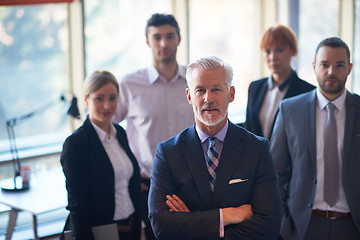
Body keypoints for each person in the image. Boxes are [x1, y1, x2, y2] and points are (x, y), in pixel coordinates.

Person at [148, 56, 282, 239]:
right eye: (200, 90)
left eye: (216, 89)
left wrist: (190, 223)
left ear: (231, 94)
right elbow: (161, 226)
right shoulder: (168, 153)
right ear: (189, 96)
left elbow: (268, 226)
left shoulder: (257, 149)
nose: (208, 98)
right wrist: (226, 216)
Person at [112, 13, 194, 239]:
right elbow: (109, 131)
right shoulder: (129, 84)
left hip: (192, 183)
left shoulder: (195, 81)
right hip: (147, 186)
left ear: (179, 38)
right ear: (148, 41)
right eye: (157, 37)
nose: (164, 43)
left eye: (169, 36)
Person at [270, 37, 360, 240]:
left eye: (339, 65)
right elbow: (275, 172)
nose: (331, 72)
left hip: (353, 225)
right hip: (303, 226)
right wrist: (285, 224)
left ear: (349, 68)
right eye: (324, 64)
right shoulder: (290, 110)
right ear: (314, 66)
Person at [60, 70, 141, 240]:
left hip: (131, 225)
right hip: (100, 230)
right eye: (99, 98)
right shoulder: (76, 144)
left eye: (112, 98)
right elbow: (77, 205)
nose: (107, 106)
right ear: (86, 100)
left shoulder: (120, 132)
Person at [244, 24, 315, 138]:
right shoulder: (254, 87)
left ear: (293, 50)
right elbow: (248, 130)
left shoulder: (308, 92)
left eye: (279, 50)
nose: (272, 57)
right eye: (267, 51)